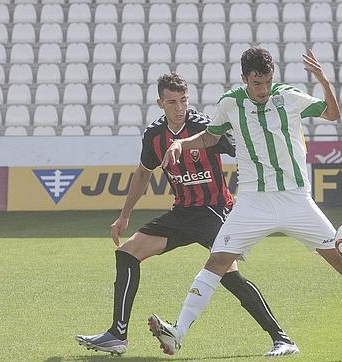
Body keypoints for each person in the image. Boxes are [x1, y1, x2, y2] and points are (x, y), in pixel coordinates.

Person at [147, 47, 342, 356]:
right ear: (245, 79)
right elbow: (210, 137)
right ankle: (178, 332)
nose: (263, 90)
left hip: (295, 199)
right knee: (216, 261)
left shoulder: (290, 97)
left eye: (268, 81)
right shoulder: (230, 103)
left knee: (341, 260)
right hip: (252, 201)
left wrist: (323, 79)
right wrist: (181, 142)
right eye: (256, 83)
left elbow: (333, 114)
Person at [75, 72, 299, 357]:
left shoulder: (205, 127)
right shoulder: (154, 135)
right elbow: (144, 173)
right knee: (128, 252)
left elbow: (245, 151)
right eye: (172, 102)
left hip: (214, 211)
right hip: (182, 212)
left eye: (183, 101)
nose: (179, 107)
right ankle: (117, 335)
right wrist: (124, 216)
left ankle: (281, 338)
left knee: (229, 276)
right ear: (160, 103)